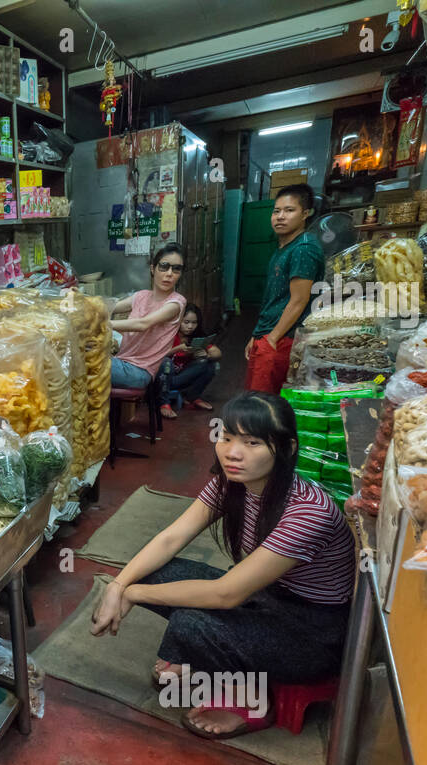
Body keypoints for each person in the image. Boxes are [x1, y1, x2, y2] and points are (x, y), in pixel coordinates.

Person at [89, 391, 355, 739]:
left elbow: (226, 594)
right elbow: (171, 538)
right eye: (227, 437)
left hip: (311, 633)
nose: (233, 452)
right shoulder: (231, 484)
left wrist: (133, 593)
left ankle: (255, 702)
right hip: (266, 597)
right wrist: (118, 585)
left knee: (189, 624)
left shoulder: (308, 512)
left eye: (252, 442)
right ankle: (217, 662)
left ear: (288, 449)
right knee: (155, 569)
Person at [245, 184, 324, 394]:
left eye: (289, 210)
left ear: (305, 214)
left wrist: (272, 338)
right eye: (276, 211)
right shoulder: (285, 246)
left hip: (283, 338)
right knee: (254, 400)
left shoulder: (303, 249)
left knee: (263, 404)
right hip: (268, 335)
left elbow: (299, 300)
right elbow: (275, 297)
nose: (280, 216)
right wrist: (257, 334)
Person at [109, 243, 187, 392]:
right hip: (121, 363)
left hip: (139, 372)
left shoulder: (176, 303)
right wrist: (81, 302)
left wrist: (103, 323)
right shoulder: (141, 296)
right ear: (153, 268)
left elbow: (143, 324)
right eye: (164, 266)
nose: (169, 273)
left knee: (80, 362)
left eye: (176, 269)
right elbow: (111, 306)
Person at [156, 303, 221, 419]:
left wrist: (206, 355)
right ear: (178, 320)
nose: (190, 326)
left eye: (194, 323)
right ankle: (164, 403)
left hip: (181, 378)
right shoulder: (169, 335)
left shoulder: (196, 337)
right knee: (166, 362)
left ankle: (192, 397)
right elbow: (155, 356)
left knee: (213, 365)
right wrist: (177, 349)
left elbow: (217, 353)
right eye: (186, 322)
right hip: (163, 379)